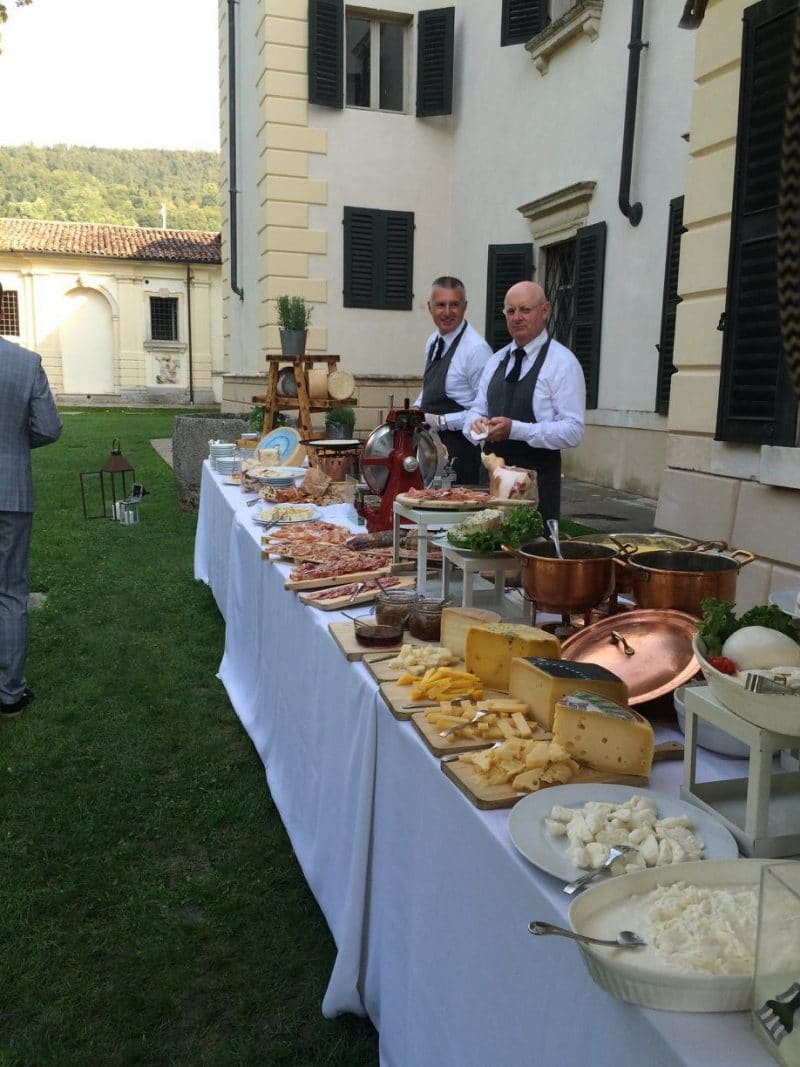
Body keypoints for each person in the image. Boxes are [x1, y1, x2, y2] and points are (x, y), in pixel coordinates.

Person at [463, 280, 585, 523]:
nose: (517, 317)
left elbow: (573, 431)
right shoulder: (496, 361)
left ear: (545, 311)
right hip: (491, 484)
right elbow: (476, 409)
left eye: (525, 310)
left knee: (531, 544)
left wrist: (515, 430)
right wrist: (475, 425)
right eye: (510, 311)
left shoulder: (563, 363)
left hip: (536, 488)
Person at [0, 283, 63, 718]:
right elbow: (48, 427)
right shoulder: (25, 363)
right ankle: (9, 692)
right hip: (11, 489)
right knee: (9, 592)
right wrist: (15, 447)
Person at [415, 276, 491, 484]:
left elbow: (486, 410)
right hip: (428, 447)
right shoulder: (433, 342)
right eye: (440, 305)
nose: (447, 312)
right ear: (429, 307)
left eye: (454, 305)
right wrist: (415, 409)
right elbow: (430, 387)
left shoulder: (476, 350)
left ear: (465, 307)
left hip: (460, 453)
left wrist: (442, 421)